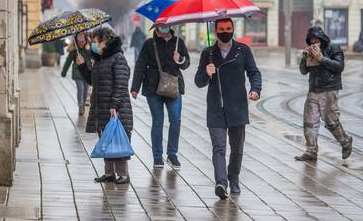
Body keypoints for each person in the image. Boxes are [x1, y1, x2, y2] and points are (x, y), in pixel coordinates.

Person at [194, 18, 262, 199]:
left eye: (228, 28)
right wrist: (206, 73)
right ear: (215, 32)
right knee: (219, 147)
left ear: (233, 29)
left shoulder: (243, 51)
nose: (225, 31)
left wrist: (255, 89)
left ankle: (233, 178)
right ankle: (221, 183)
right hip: (216, 107)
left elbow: (254, 72)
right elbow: (198, 82)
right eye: (221, 29)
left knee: (237, 147)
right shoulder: (208, 53)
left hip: (237, 106)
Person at [76, 27, 133, 184]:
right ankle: (109, 174)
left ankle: (123, 174)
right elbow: (92, 81)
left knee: (118, 140)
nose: (93, 45)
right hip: (101, 107)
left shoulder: (118, 58)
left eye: (95, 41)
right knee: (106, 140)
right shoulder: (100, 60)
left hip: (116, 108)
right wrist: (82, 66)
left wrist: (114, 104)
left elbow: (121, 84)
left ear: (104, 42)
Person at [131, 24, 190, 169]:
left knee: (175, 120)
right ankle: (157, 157)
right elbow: (140, 65)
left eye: (166, 26)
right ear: (156, 28)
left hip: (173, 87)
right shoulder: (149, 44)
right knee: (158, 122)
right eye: (160, 27)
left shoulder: (178, 42)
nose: (163, 29)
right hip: (153, 88)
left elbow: (186, 64)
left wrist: (180, 59)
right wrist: (135, 87)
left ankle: (172, 154)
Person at [294, 26, 353, 161]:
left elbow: (339, 66)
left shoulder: (333, 47)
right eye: (311, 40)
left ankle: (345, 142)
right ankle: (311, 150)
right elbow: (303, 71)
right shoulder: (310, 50)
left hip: (330, 88)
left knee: (331, 120)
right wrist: (304, 58)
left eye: (316, 39)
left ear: (322, 38)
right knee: (309, 120)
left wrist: (322, 58)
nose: (314, 42)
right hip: (313, 89)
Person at [61, 32, 91, 115]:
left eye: (82, 39)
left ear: (85, 39)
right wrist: (64, 72)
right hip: (77, 71)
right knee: (80, 88)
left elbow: (95, 57)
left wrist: (89, 50)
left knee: (85, 90)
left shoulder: (89, 47)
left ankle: (84, 104)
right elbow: (68, 61)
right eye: (79, 39)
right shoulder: (74, 50)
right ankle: (80, 106)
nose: (81, 41)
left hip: (88, 72)